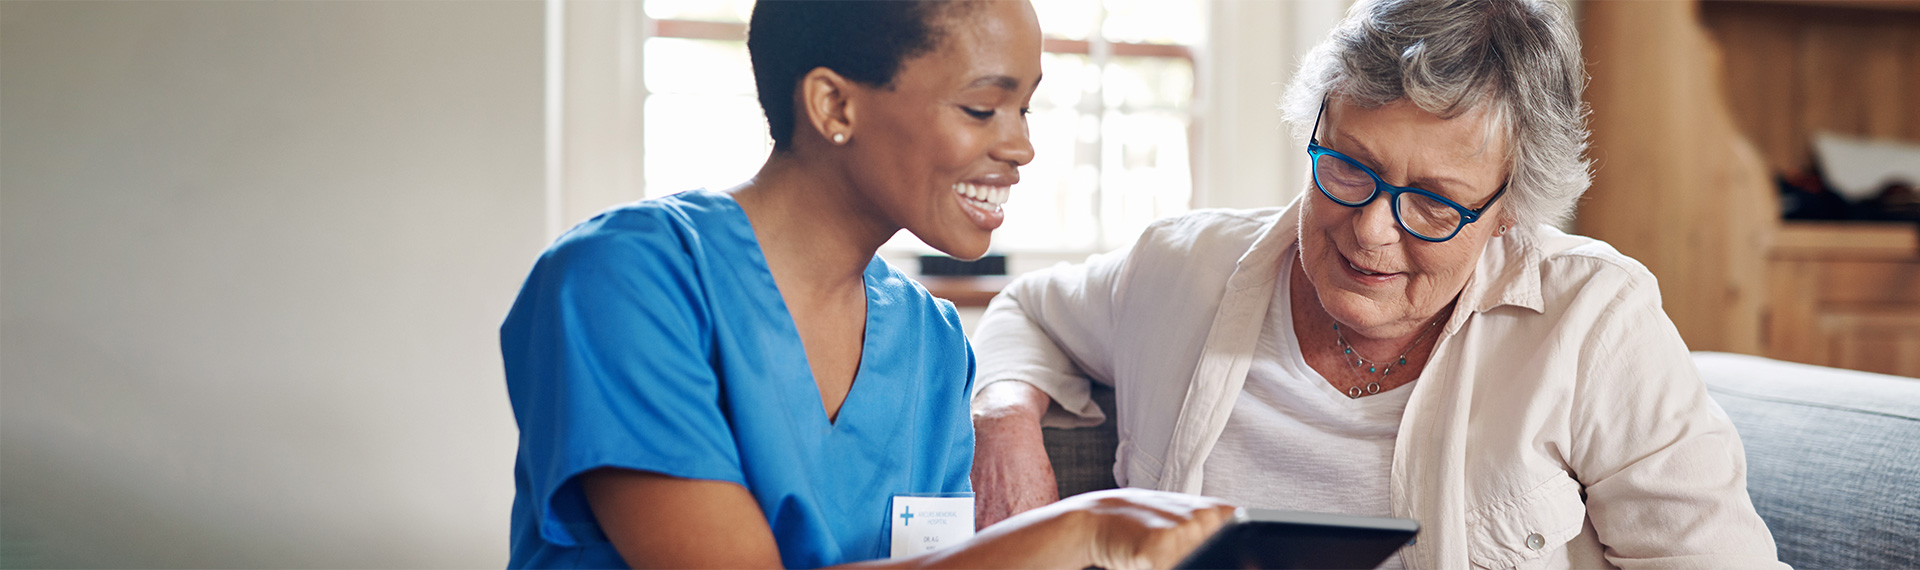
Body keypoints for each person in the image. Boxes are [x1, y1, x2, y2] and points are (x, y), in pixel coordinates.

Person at [968, 0, 1787, 568]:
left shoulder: (1595, 321)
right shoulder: (1181, 268)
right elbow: (1026, 312)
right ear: (1316, 125)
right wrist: (1005, 418)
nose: (1371, 230)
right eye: (1348, 168)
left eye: (1432, 203)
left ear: (1511, 212)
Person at [500, 1, 1233, 569]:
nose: (1021, 146)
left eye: (1025, 107)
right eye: (982, 107)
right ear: (834, 106)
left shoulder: (930, 341)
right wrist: (1081, 530)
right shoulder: (622, 283)